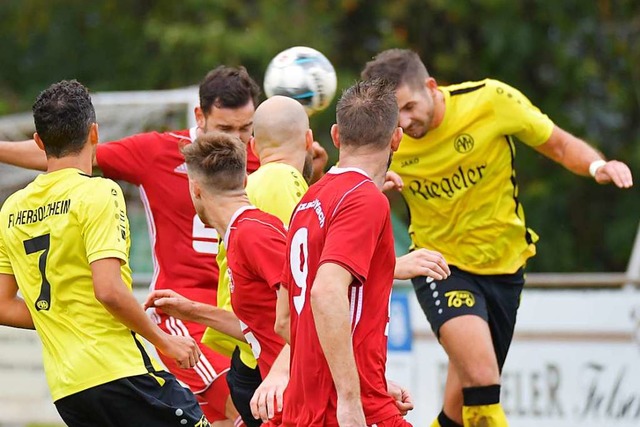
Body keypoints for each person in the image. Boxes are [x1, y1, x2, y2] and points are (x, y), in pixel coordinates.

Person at [361, 48, 634, 427]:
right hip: (440, 266)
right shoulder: (389, 139)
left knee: (458, 409)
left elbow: (556, 143)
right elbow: (353, 183)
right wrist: (373, 184)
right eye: (395, 114)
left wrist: (597, 165)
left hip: (505, 266)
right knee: (484, 379)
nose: (404, 123)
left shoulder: (490, 100)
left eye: (409, 107)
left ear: (431, 86)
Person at [0, 65, 263, 426]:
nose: (236, 139)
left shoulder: (12, 208)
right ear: (94, 133)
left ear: (40, 140)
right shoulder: (107, 186)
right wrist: (164, 341)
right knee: (239, 410)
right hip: (131, 356)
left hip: (68, 384)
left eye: (244, 130)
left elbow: (4, 305)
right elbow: (108, 290)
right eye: (225, 128)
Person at [146, 95, 315, 427]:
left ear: (195, 189)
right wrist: (190, 309)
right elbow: (258, 326)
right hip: (274, 387)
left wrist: (281, 373)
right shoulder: (239, 234)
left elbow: (311, 306)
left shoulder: (254, 232)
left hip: (298, 392)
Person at [280, 78, 412, 427]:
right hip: (344, 407)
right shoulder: (367, 199)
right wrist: (352, 398)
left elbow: (284, 319)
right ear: (396, 138)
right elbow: (326, 292)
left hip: (305, 403)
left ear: (336, 136)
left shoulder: (308, 199)